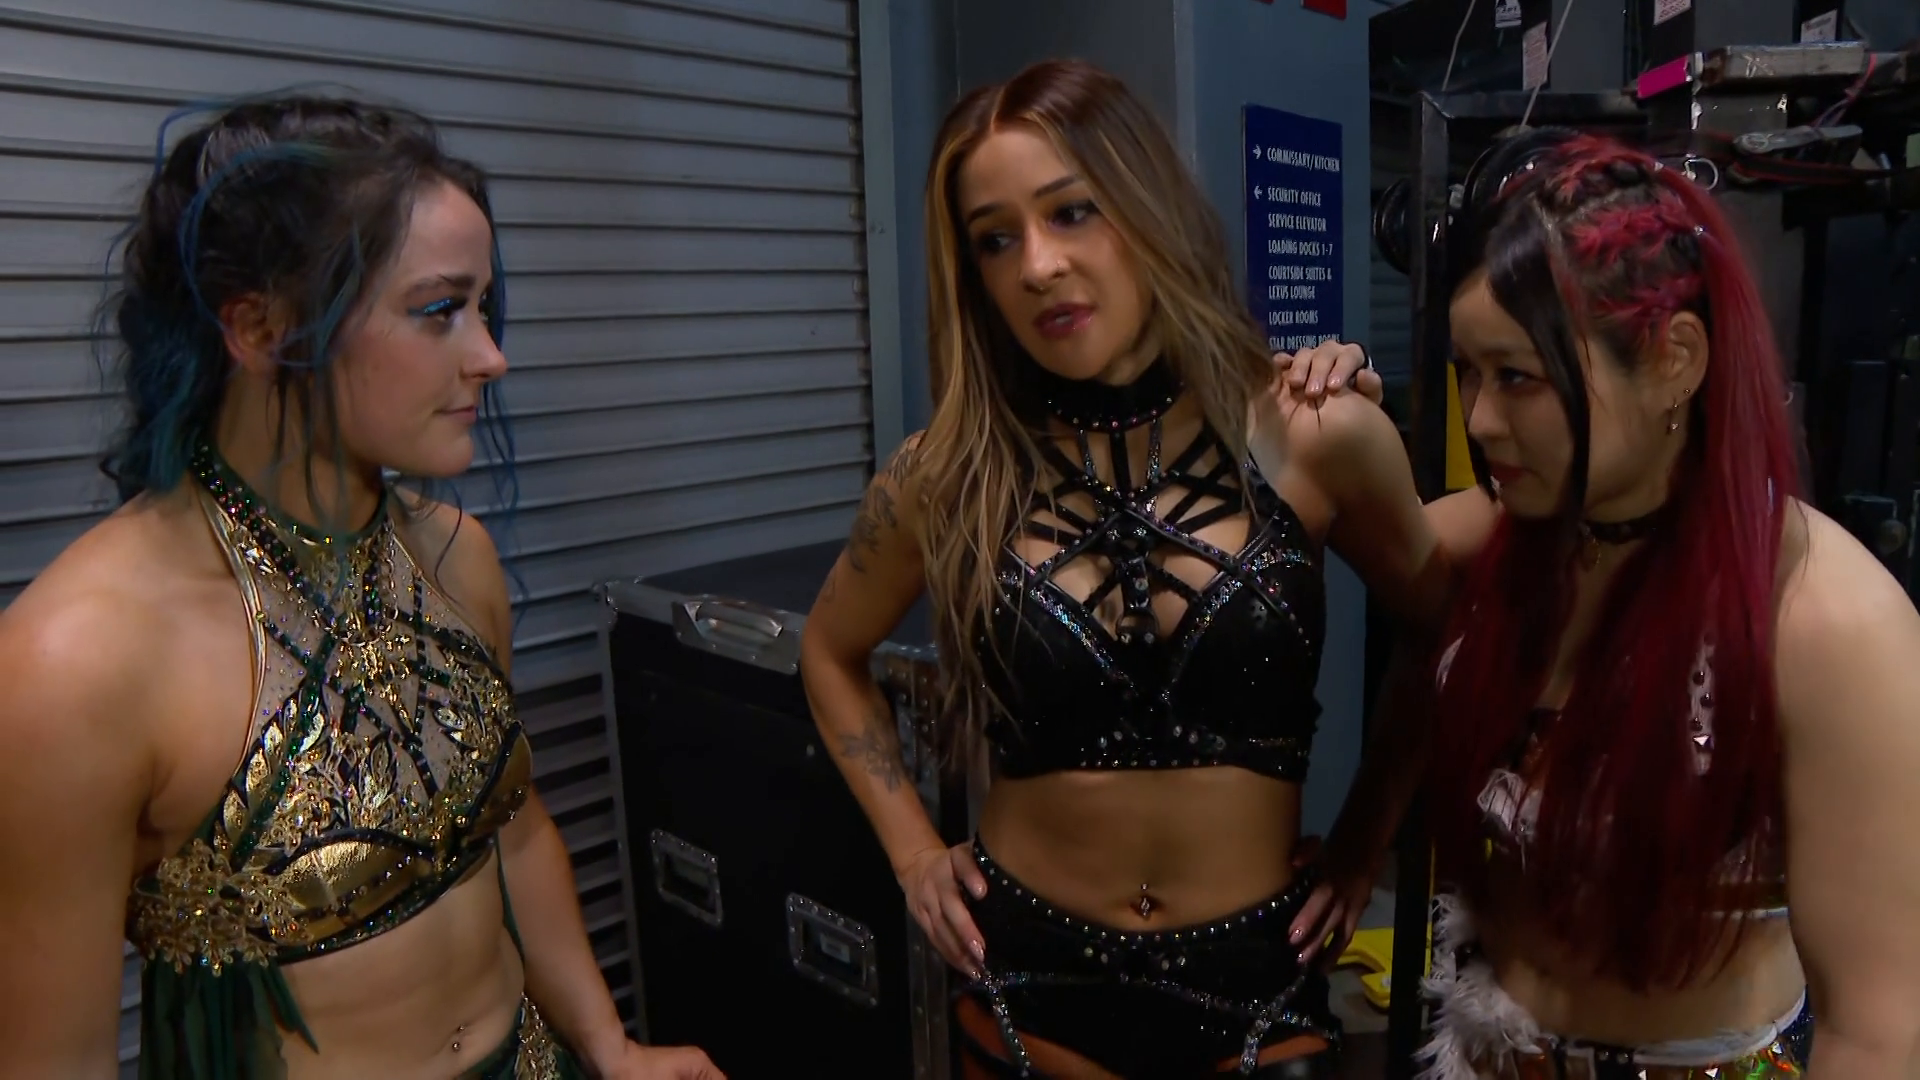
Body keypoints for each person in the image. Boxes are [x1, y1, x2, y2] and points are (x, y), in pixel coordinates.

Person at [0, 96, 722, 1080]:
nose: (491, 356)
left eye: (483, 307)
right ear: (260, 328)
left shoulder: (457, 558)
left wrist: (611, 1047)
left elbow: (513, 837)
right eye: (439, 310)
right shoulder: (77, 665)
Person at [799, 59, 1452, 1079]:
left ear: (1145, 207)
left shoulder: (1317, 433)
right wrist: (914, 852)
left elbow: (1444, 629)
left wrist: (1370, 836)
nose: (1038, 265)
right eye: (995, 239)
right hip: (1028, 992)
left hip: (1258, 987)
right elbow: (829, 651)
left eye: (1072, 212)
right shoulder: (945, 474)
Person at [1285, 129, 1920, 1078]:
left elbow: (1877, 1031)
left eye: (1518, 378)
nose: (1480, 420)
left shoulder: (1829, 622)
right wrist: (1329, 412)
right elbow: (1350, 550)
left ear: (1674, 360)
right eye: (1468, 373)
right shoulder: (1513, 536)